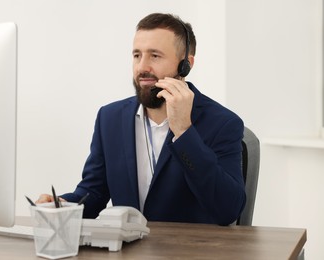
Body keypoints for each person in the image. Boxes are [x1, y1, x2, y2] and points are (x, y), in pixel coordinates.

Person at [37, 13, 246, 225]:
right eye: (137, 55)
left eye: (155, 56)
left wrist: (184, 132)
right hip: (128, 252)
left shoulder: (222, 123)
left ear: (186, 65)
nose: (142, 67)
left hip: (187, 252)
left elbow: (227, 210)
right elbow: (93, 192)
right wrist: (62, 205)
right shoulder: (110, 118)